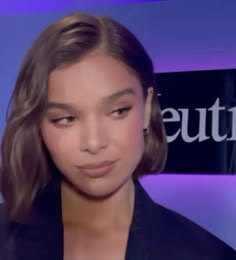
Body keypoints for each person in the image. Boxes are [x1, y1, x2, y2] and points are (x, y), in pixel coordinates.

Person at [0, 12, 235, 260]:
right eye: (66, 119)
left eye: (118, 111)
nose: (94, 142)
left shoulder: (207, 254)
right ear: (38, 125)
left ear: (147, 108)